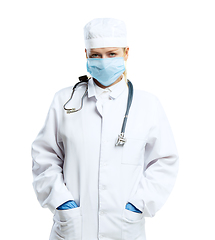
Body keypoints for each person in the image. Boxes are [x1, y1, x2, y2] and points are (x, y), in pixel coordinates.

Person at [31, 18, 179, 240]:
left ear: (126, 53)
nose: (103, 61)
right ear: (86, 55)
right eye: (96, 55)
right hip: (73, 226)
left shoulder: (147, 104)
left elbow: (165, 161)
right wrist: (60, 201)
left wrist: (139, 204)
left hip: (124, 227)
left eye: (111, 54)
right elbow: (44, 157)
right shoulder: (66, 101)